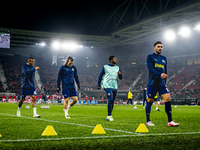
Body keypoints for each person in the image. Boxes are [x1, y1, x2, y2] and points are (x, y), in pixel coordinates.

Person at [146, 41, 179, 126]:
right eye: (158, 46)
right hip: (152, 83)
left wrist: (164, 79)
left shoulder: (164, 58)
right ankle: (148, 121)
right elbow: (150, 69)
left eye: (161, 47)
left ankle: (170, 121)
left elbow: (165, 70)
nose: (160, 48)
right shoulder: (150, 57)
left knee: (167, 98)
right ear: (154, 48)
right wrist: (160, 74)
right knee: (150, 101)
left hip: (161, 84)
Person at [97, 55, 122, 121]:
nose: (116, 60)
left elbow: (121, 78)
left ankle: (109, 115)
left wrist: (120, 74)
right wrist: (98, 84)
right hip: (107, 85)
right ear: (111, 60)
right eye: (114, 59)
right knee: (110, 99)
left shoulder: (117, 67)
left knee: (112, 101)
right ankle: (109, 115)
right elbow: (100, 76)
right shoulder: (105, 67)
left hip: (114, 86)